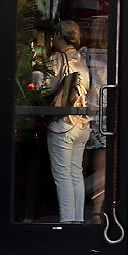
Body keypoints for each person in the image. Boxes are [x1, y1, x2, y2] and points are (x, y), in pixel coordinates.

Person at [47, 20, 108, 223]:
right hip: (82, 122)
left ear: (58, 36)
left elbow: (48, 86)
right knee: (75, 174)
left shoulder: (59, 58)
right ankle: (77, 220)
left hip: (63, 123)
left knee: (63, 176)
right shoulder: (81, 58)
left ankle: (67, 222)